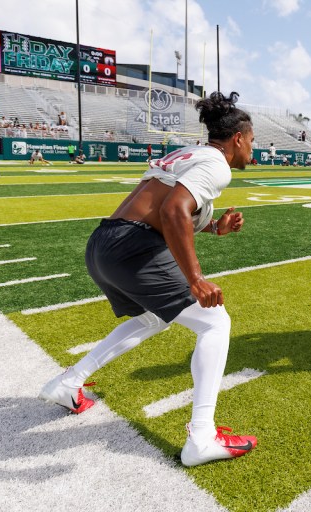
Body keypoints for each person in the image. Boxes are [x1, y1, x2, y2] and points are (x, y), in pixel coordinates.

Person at [38, 91, 257, 467]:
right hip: (133, 247)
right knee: (215, 323)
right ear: (237, 138)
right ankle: (202, 438)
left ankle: (69, 382)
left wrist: (215, 229)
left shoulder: (189, 155)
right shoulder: (217, 164)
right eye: (252, 142)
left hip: (105, 243)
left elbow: (168, 208)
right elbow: (173, 211)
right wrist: (196, 278)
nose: (253, 150)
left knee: (152, 317)